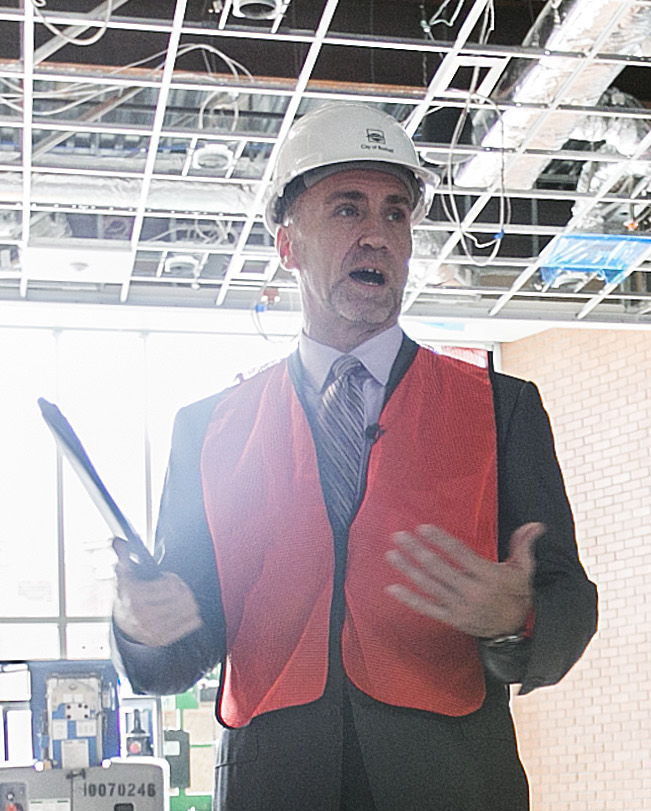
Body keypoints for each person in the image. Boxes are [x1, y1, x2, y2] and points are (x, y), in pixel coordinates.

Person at [112, 104, 597, 811]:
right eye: (346, 209)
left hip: (454, 777)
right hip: (271, 781)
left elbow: (568, 602)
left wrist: (517, 615)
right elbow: (188, 636)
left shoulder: (502, 407)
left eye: (395, 213)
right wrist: (141, 627)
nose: (376, 234)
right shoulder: (207, 430)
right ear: (287, 245)